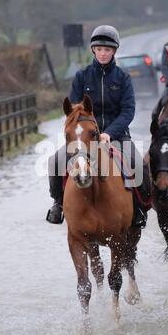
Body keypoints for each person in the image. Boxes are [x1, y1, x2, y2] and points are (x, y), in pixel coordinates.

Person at [46, 25, 150, 225]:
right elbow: (74, 111)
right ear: (93, 50)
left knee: (140, 165)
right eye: (100, 49)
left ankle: (140, 209)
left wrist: (109, 133)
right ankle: (58, 204)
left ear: (114, 51)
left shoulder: (123, 78)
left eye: (108, 50)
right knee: (54, 161)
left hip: (117, 135)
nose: (103, 53)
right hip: (84, 138)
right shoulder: (81, 76)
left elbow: (128, 111)